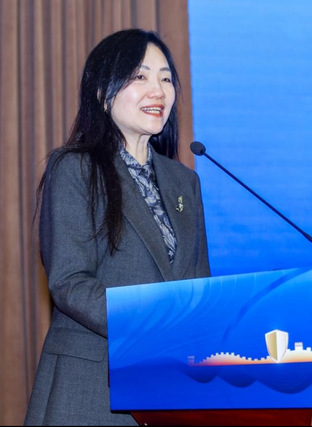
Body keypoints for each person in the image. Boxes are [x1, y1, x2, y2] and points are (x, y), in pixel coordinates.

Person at [24, 29, 211, 426]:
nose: (158, 90)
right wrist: (154, 326)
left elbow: (198, 286)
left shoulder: (184, 182)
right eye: (140, 76)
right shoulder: (75, 169)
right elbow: (70, 282)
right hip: (93, 387)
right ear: (102, 93)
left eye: (165, 78)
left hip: (170, 388)